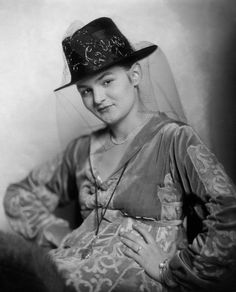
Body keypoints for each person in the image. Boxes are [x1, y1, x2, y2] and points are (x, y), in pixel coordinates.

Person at [3, 17, 236, 292]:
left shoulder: (174, 139)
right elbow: (20, 195)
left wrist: (172, 270)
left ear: (134, 75)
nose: (98, 98)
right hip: (67, 270)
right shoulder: (82, 150)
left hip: (134, 282)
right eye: (86, 91)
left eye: (107, 81)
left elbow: (228, 211)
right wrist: (59, 234)